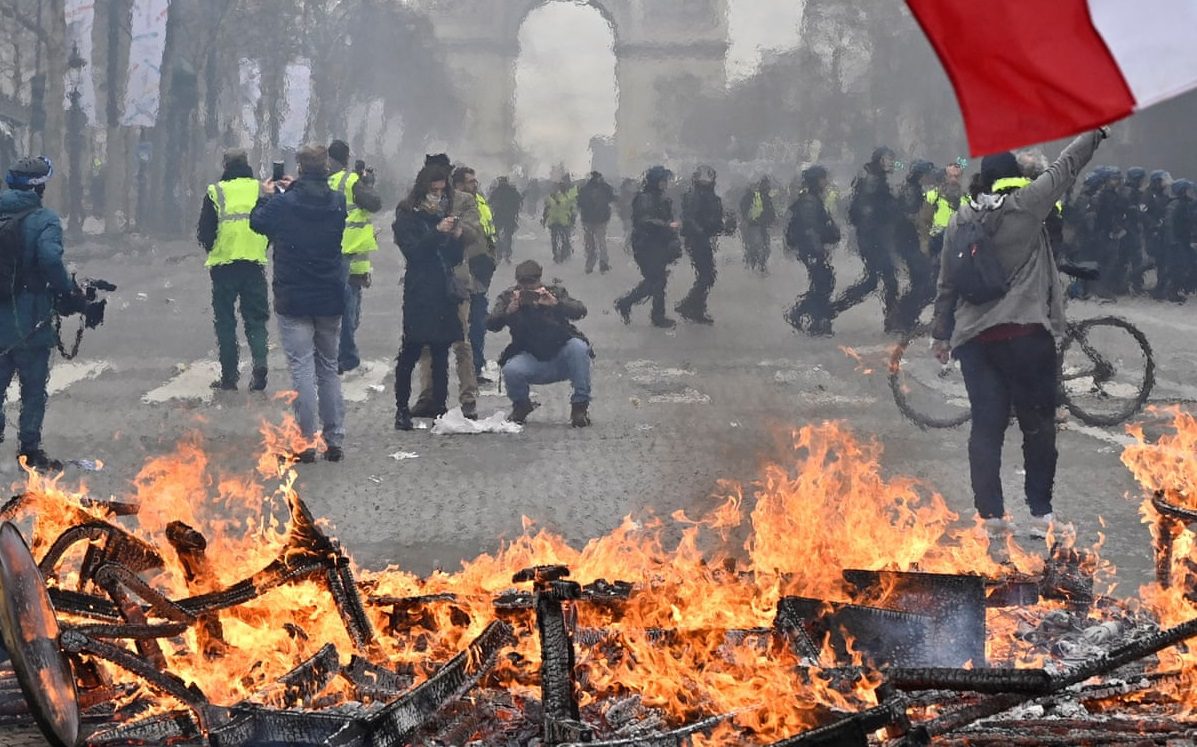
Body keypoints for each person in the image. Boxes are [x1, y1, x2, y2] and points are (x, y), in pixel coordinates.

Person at [929, 128, 1107, 542]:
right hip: (1025, 337)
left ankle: (990, 516)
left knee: (986, 428)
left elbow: (946, 283)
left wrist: (941, 335)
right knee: (1039, 426)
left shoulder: (959, 220)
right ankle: (1039, 514)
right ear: (1013, 177)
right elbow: (1066, 167)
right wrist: (1095, 133)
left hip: (974, 343)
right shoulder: (1026, 207)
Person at [249, 144, 348, 463]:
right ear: (327, 168)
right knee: (329, 368)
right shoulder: (337, 202)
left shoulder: (284, 203)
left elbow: (258, 222)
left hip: (294, 295)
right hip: (330, 293)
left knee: (302, 368)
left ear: (300, 168)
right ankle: (334, 439)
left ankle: (305, 443)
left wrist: (268, 195)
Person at [0, 156, 88, 471]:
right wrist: (67, 290)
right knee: (33, 387)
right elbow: (50, 259)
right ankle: (29, 450)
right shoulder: (44, 220)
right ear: (40, 187)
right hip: (30, 319)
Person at [391, 162, 466, 431]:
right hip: (420, 290)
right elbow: (414, 252)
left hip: (442, 289)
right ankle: (401, 409)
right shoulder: (407, 215)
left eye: (442, 191)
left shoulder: (443, 213)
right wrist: (437, 233)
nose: (438, 195)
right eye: (434, 191)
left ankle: (440, 406)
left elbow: (454, 258)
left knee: (441, 350)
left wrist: (456, 237)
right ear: (423, 189)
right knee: (411, 348)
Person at [409, 163, 484, 420]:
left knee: (461, 341)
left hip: (454, 279)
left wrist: (459, 231)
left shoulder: (463, 201)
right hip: (424, 279)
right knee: (426, 342)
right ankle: (427, 396)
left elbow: (476, 232)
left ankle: (468, 398)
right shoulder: (414, 202)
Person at [196, 149, 270, 393]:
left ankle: (229, 376)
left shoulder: (215, 192)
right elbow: (271, 224)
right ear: (247, 164)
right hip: (253, 263)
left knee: (226, 322)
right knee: (256, 319)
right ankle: (260, 366)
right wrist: (260, 245)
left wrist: (214, 247)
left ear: (225, 165)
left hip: (224, 266)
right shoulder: (260, 189)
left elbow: (204, 233)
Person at [488, 260, 592, 427]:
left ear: (540, 280)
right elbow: (491, 324)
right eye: (523, 284)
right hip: (530, 356)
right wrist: (508, 312)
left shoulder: (553, 293)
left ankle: (580, 407)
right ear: (517, 282)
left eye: (532, 283)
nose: (528, 288)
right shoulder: (508, 297)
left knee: (578, 347)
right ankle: (521, 406)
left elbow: (580, 310)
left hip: (561, 354)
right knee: (511, 369)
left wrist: (556, 305)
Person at [326, 140, 382, 374]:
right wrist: (367, 183)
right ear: (346, 158)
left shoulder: (326, 180)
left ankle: (339, 354)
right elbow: (374, 203)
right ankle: (346, 357)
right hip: (349, 250)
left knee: (347, 307)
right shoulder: (350, 181)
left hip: (336, 250)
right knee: (349, 309)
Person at [833, 147, 902, 332]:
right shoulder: (873, 181)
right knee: (887, 278)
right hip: (873, 238)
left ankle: (832, 309)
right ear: (880, 160)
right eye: (889, 158)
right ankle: (892, 320)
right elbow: (870, 211)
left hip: (872, 237)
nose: (892, 162)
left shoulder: (873, 178)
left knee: (874, 281)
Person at [615, 166, 682, 328]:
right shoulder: (644, 198)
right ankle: (647, 311)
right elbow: (644, 220)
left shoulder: (662, 198)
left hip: (659, 245)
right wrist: (666, 225)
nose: (665, 184)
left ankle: (636, 306)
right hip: (646, 245)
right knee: (656, 281)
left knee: (657, 281)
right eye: (662, 181)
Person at [784, 165, 841, 336]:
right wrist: (817, 250)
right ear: (816, 180)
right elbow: (809, 229)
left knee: (823, 282)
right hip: (811, 250)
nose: (826, 182)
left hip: (813, 249)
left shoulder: (813, 199)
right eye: (823, 178)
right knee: (823, 282)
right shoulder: (809, 201)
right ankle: (814, 320)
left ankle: (804, 313)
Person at [675, 165, 731, 325]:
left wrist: (721, 226)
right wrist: (700, 232)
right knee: (707, 275)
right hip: (697, 239)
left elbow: (713, 218)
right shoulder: (695, 196)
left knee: (707, 275)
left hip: (702, 238)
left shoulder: (708, 196)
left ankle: (695, 307)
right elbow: (691, 218)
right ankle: (690, 305)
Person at [892, 159, 937, 331]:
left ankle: (904, 317)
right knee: (925, 282)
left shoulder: (914, 190)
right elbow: (913, 217)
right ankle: (903, 317)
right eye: (928, 174)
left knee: (922, 282)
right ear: (922, 175)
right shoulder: (912, 192)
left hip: (908, 242)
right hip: (908, 242)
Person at [1160, 179, 1195, 303]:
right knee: (1177, 267)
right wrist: (1172, 240)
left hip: (1183, 240)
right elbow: (1169, 223)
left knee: (1186, 265)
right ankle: (1170, 292)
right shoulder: (1175, 204)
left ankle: (1177, 290)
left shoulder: (1186, 204)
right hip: (1176, 242)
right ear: (1183, 191)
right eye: (1188, 190)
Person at [1116, 167, 1149, 295]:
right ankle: (1136, 285)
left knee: (1123, 259)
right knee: (1136, 259)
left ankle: (1121, 284)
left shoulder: (1124, 190)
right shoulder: (1131, 193)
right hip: (1130, 230)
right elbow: (1133, 212)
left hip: (1127, 230)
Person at [577, 171, 617, 274]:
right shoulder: (605, 188)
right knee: (600, 241)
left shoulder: (585, 189)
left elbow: (580, 203)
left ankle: (590, 264)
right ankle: (603, 263)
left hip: (589, 219)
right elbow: (612, 198)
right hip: (600, 219)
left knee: (590, 243)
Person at [1145, 170, 1173, 298]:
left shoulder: (1163, 195)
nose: (1165, 184)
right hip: (1153, 233)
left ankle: (1161, 288)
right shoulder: (1148, 195)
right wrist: (1154, 225)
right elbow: (1143, 214)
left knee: (1163, 261)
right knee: (1155, 260)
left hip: (1162, 233)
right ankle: (1132, 279)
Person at [739, 177, 776, 273]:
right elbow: (744, 208)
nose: (768, 187)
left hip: (762, 226)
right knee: (756, 248)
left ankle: (758, 267)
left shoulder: (765, 197)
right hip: (754, 226)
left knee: (763, 248)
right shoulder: (753, 196)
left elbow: (770, 211)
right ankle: (754, 268)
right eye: (766, 184)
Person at [488, 176, 523, 264]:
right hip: (509, 216)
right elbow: (519, 200)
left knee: (498, 234)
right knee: (508, 235)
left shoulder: (497, 191)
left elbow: (489, 201)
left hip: (500, 216)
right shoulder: (512, 190)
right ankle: (507, 253)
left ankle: (500, 253)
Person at [542, 177, 577, 263]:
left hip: (553, 221)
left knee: (554, 239)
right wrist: (572, 220)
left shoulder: (550, 197)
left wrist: (544, 219)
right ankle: (564, 254)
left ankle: (556, 255)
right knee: (565, 238)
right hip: (564, 221)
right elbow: (573, 210)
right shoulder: (568, 198)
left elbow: (546, 209)